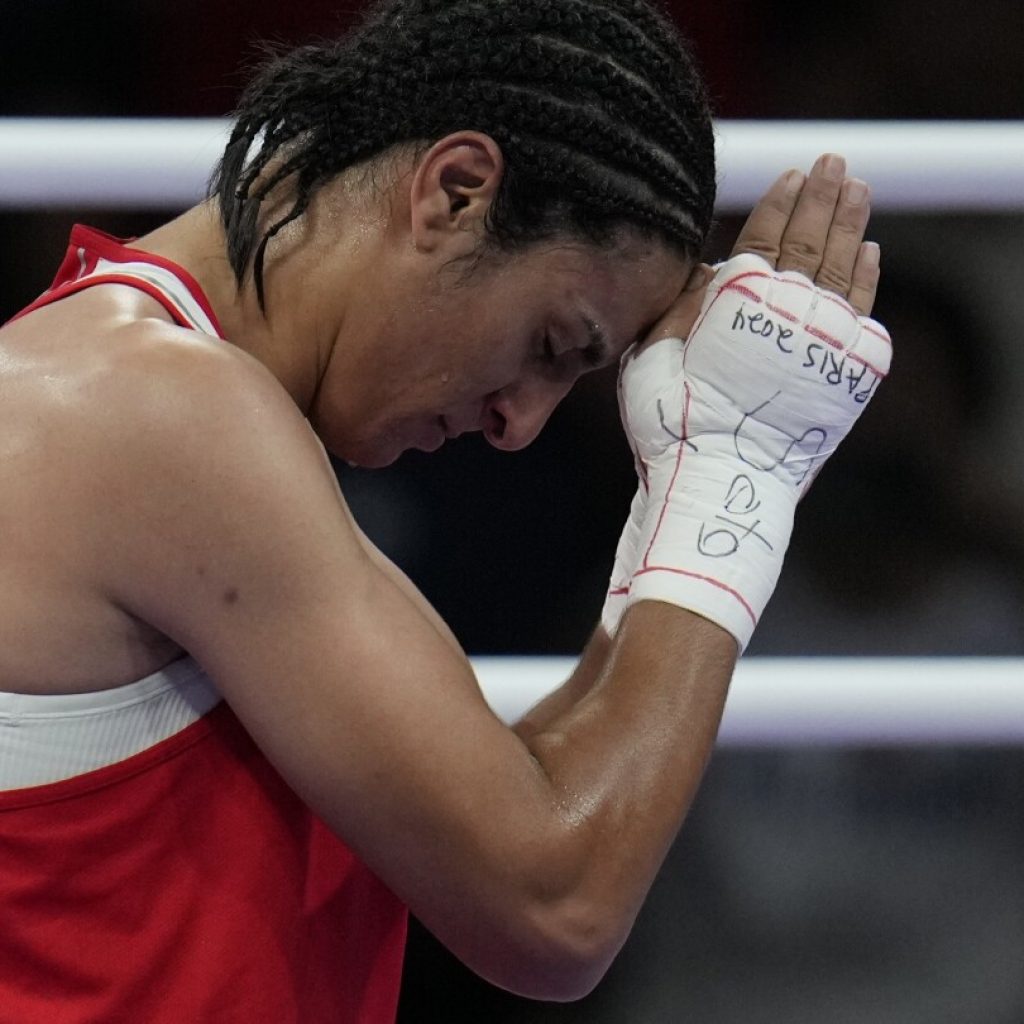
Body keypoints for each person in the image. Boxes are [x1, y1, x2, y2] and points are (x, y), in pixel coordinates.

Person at [0, 0, 889, 1020]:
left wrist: (677, 499)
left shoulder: (165, 393)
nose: (519, 424)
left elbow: (519, 800)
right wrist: (737, 479)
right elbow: (555, 910)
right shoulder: (160, 414)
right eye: (552, 345)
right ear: (455, 191)